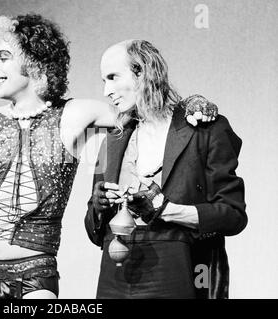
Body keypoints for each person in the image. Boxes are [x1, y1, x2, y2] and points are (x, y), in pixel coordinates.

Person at [0, 14, 217, 299]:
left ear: (34, 60)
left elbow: (149, 108)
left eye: (3, 56)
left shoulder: (77, 114)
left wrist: (190, 104)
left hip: (36, 274)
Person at [84, 39, 247, 299]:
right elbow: (93, 233)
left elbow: (233, 215)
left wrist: (167, 210)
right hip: (115, 273)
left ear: (142, 71)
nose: (107, 90)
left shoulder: (204, 129)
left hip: (177, 267)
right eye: (104, 80)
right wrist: (99, 205)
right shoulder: (112, 141)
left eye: (113, 77)